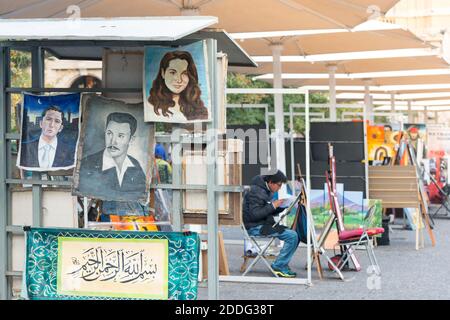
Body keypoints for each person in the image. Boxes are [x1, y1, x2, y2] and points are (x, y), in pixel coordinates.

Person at [243, 170, 300, 278]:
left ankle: (282, 264)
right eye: (278, 185)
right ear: (270, 182)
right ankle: (279, 266)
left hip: (261, 224)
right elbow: (254, 215)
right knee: (292, 236)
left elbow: (264, 211)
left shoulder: (263, 189)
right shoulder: (256, 191)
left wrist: (280, 206)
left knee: (294, 234)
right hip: (254, 227)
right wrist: (273, 206)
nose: (279, 188)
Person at [78, 112, 146, 199]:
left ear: (131, 140)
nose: (113, 141)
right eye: (109, 133)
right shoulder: (87, 164)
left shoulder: (135, 165)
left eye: (120, 136)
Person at [147, 50, 209, 122]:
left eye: (184, 73)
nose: (179, 80)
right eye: (173, 72)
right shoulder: (151, 105)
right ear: (163, 73)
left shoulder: (198, 108)